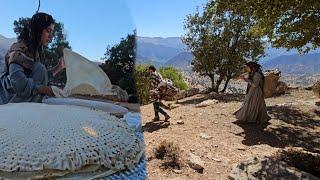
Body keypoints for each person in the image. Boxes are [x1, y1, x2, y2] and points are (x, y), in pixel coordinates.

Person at [0, 12, 65, 105]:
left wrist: (59, 67)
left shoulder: (37, 51)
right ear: (38, 30)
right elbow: (18, 81)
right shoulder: (18, 49)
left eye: (52, 32)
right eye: (48, 31)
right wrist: (44, 89)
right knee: (40, 68)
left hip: (22, 95)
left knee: (41, 69)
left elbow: (40, 76)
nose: (51, 36)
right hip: (7, 98)